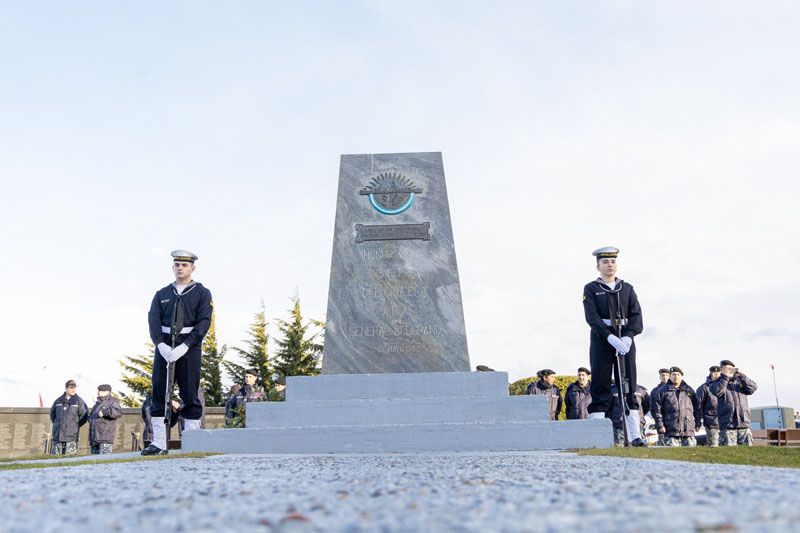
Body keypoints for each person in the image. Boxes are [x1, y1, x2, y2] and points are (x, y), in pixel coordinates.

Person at [143, 250, 213, 455]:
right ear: (172, 267)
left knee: (190, 392)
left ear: (193, 268)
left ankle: (191, 441)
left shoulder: (202, 293)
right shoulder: (162, 294)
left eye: (184, 264)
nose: (180, 267)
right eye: (176, 264)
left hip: (189, 348)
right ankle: (158, 443)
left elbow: (204, 322)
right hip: (164, 348)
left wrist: (186, 346)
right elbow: (153, 321)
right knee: (158, 390)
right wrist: (160, 344)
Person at [582, 247, 645, 446]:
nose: (610, 265)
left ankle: (635, 435)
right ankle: (596, 435)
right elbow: (592, 317)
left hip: (624, 340)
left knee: (628, 385)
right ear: (598, 266)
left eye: (613, 262)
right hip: (602, 341)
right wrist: (609, 337)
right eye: (605, 262)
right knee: (600, 384)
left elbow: (636, 315)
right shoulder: (591, 289)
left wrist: (628, 336)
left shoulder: (626, 288)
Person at [709, 359, 758, 446]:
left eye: (731, 368)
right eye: (726, 368)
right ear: (722, 370)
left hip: (743, 423)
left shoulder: (741, 381)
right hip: (728, 424)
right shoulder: (716, 383)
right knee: (728, 452)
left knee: (748, 452)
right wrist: (725, 377)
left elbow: (752, 388)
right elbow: (717, 391)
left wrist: (743, 376)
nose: (729, 370)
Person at [652, 367, 701, 447]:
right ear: (670, 376)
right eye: (673, 374)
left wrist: (698, 423)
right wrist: (660, 425)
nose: (676, 376)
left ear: (681, 376)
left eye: (678, 374)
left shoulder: (689, 390)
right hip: (671, 430)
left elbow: (697, 407)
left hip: (688, 430)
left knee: (690, 455)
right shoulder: (662, 391)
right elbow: (657, 410)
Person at [49, 380, 88, 455]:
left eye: (75, 388)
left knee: (70, 459)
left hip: (71, 436)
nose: (73, 390)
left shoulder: (79, 401)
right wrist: (58, 424)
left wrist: (75, 425)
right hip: (58, 435)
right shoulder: (58, 401)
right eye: (71, 388)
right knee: (55, 459)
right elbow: (52, 415)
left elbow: (84, 416)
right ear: (66, 388)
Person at [610, 380, 650, 446]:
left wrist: (638, 416)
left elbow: (646, 406)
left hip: (638, 426)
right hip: (619, 427)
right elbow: (609, 407)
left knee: (639, 449)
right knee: (620, 449)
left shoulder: (640, 390)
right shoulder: (613, 389)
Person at [88, 384, 122, 454]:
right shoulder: (97, 404)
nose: (98, 393)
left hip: (105, 439)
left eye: (100, 391)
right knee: (93, 462)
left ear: (107, 392)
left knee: (104, 461)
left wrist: (105, 412)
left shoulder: (113, 402)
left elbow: (117, 413)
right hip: (94, 439)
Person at [695, 365, 722, 447]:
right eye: (714, 373)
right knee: (714, 447)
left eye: (718, 373)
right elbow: (698, 406)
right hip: (711, 422)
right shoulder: (703, 388)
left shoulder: (725, 386)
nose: (716, 375)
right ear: (710, 374)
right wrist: (698, 422)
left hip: (725, 423)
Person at [649, 368, 671, 446]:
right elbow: (653, 408)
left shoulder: (675, 389)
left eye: (667, 375)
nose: (664, 377)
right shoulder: (655, 391)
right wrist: (660, 424)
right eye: (662, 375)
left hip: (673, 423)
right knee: (663, 445)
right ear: (660, 377)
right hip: (662, 422)